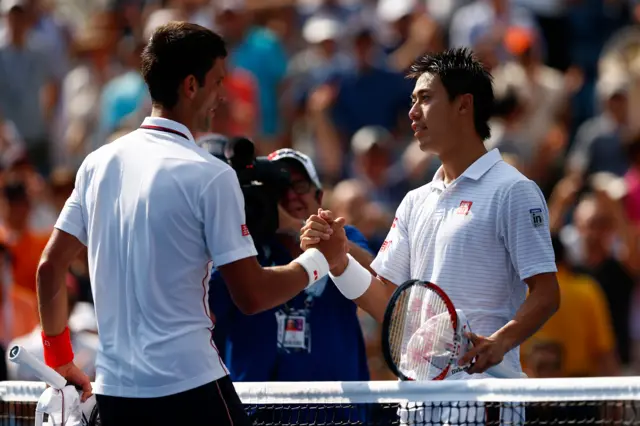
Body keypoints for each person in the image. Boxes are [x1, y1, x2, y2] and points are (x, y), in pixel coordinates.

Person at [35, 22, 348, 426]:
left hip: (115, 395)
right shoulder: (210, 176)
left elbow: (49, 267)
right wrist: (320, 260)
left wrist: (58, 360)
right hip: (190, 390)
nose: (223, 95)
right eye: (218, 82)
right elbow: (251, 296)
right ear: (190, 85)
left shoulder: (97, 163)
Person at [300, 47, 560, 424]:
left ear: (463, 105)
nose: (412, 112)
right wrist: (339, 263)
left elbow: (547, 293)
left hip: (484, 403)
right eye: (412, 101)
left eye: (425, 98)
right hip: (418, 405)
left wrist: (500, 342)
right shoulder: (413, 201)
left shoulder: (513, 190)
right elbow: (386, 303)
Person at [209, 148, 373, 424]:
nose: (290, 195)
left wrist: (297, 227)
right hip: (257, 412)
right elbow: (205, 301)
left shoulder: (341, 239)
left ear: (319, 196)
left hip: (337, 413)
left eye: (299, 185)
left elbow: (377, 278)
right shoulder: (243, 249)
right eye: (279, 187)